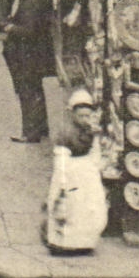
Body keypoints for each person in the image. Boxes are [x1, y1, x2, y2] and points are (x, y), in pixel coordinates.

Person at [43, 88, 108, 254]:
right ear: (73, 115)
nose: (85, 119)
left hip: (86, 172)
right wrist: (63, 179)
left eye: (88, 116)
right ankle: (64, 243)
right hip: (71, 171)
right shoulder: (66, 132)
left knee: (90, 207)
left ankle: (85, 242)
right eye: (81, 116)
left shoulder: (91, 131)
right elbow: (61, 158)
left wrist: (95, 164)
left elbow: (94, 153)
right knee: (69, 207)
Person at [2, 0, 55, 143]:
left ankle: (30, 132)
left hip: (28, 54)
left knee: (27, 92)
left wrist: (11, 28)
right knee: (36, 90)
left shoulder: (32, 0)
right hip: (40, 54)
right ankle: (42, 127)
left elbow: (30, 30)